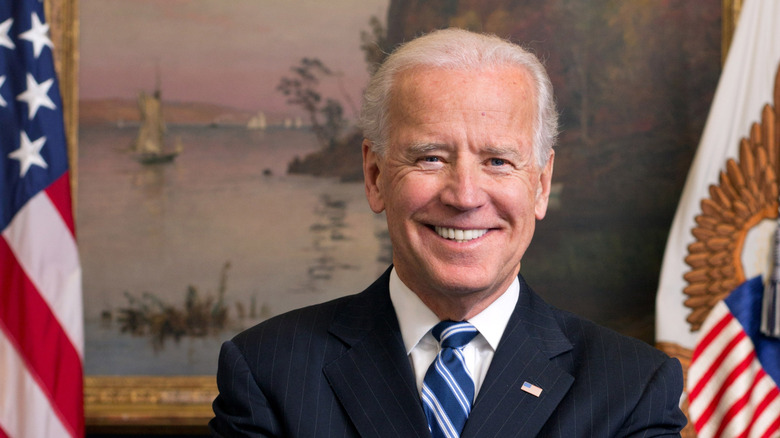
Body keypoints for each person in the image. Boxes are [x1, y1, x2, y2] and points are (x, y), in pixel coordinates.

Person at [209, 28, 687, 437]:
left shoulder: (631, 387)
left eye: (498, 161)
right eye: (430, 157)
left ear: (540, 186)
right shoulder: (269, 372)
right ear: (375, 177)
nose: (464, 195)